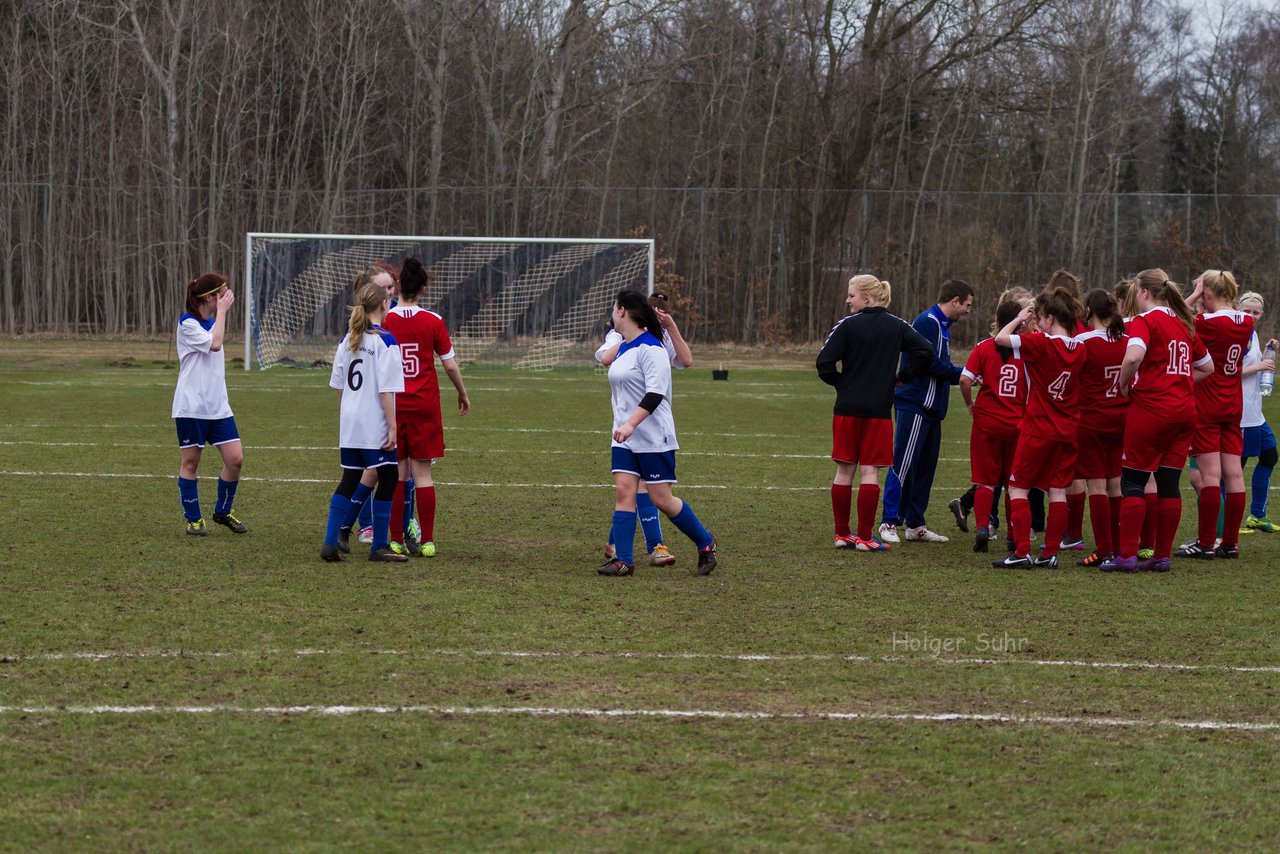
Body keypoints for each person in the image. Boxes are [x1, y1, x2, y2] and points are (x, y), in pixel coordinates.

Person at [1100, 270, 1213, 573]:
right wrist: (1179, 381)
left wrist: (1123, 384)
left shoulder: (1145, 321)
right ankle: (1162, 556)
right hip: (1184, 411)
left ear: (1145, 293)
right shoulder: (1183, 323)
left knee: (1133, 480)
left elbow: (1134, 356)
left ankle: (1125, 556)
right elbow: (1207, 367)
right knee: (1168, 483)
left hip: (1152, 410)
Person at [598, 289, 717, 576]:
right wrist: (623, 426)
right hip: (624, 437)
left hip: (653, 437)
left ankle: (705, 543)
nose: (612, 313)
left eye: (614, 307)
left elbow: (655, 394)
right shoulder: (624, 347)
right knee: (624, 492)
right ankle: (623, 560)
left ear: (623, 310)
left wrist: (631, 424)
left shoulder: (653, 348)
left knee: (661, 499)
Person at [817, 274, 933, 551]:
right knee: (870, 472)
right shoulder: (896, 326)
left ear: (867, 298)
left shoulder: (847, 326)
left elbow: (824, 363)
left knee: (845, 470)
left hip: (847, 409)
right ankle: (866, 538)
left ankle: (842, 534)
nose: (847, 300)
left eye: (851, 295)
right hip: (879, 410)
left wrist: (842, 384)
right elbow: (925, 352)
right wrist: (903, 377)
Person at [990, 286, 1086, 568]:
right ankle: (1051, 553)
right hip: (1067, 428)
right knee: (1057, 490)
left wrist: (1020, 318)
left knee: (1018, 487)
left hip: (1038, 427)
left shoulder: (1041, 343)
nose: (1038, 322)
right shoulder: (1081, 347)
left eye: (1041, 317)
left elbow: (1001, 339)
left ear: (1050, 318)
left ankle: (1021, 551)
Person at [383, 256, 471, 557]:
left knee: (398, 475)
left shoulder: (386, 320)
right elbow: (449, 365)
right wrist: (462, 393)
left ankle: (395, 538)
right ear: (422, 288)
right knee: (423, 476)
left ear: (398, 287)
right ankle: (428, 540)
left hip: (393, 406)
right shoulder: (433, 321)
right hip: (424, 406)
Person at [879, 278, 975, 544]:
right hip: (915, 405)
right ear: (955, 301)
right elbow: (930, 365)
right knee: (904, 463)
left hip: (933, 410)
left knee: (925, 468)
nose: (968, 310)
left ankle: (915, 524)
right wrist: (966, 374)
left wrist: (962, 373)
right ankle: (889, 521)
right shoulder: (927, 322)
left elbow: (941, 364)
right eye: (967, 304)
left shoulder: (943, 326)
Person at [319, 282, 408, 563]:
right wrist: (392, 427)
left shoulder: (347, 341)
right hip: (373, 422)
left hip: (351, 421)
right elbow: (386, 391)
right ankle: (379, 546)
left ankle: (330, 543)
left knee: (350, 477)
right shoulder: (386, 341)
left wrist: (349, 413)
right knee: (390, 476)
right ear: (384, 306)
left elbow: (338, 386)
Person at [1176, 270, 1253, 560]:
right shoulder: (1246, 320)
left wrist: (1194, 295)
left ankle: (1206, 542)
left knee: (1210, 475)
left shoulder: (1205, 322)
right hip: (1233, 403)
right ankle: (1230, 542)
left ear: (1208, 292)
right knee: (1234, 474)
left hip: (1207, 402)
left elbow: (1171, 319)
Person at [948, 286, 1034, 535]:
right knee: (1013, 484)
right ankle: (1013, 533)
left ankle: (983, 527)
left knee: (985, 480)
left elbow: (965, 379)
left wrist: (969, 404)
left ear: (997, 321)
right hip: (1018, 423)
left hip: (987, 421)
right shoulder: (1028, 347)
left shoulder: (984, 347)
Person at [172, 273, 247, 536]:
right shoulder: (187, 324)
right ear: (209, 297)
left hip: (218, 407)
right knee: (191, 462)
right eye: (222, 293)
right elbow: (215, 344)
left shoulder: (212, 322)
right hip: (192, 406)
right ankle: (194, 520)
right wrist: (223, 313)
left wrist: (220, 315)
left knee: (235, 459)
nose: (227, 297)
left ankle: (223, 512)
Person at [1072, 288, 1129, 567]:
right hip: (1121, 418)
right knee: (1116, 483)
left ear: (1088, 311)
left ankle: (1104, 549)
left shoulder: (1082, 341)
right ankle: (1118, 547)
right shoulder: (1127, 340)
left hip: (1092, 420)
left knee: (1096, 485)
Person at [1236, 292, 1280, 532]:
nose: (1250, 316)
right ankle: (1225, 526)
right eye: (1246, 311)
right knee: (1234, 468)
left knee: (1270, 456)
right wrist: (1260, 365)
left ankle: (1257, 515)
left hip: (1256, 413)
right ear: (1237, 309)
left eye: (1255, 312)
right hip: (1241, 414)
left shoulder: (1250, 333)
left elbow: (1251, 368)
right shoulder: (1238, 335)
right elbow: (1230, 372)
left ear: (1261, 314)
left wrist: (1266, 354)